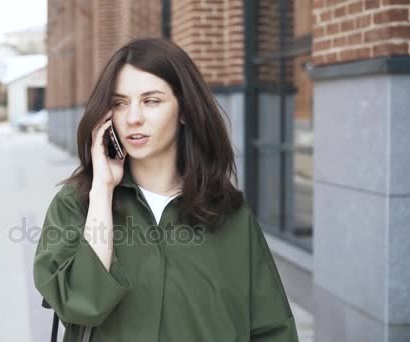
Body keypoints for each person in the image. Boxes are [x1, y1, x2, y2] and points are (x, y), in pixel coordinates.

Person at [33, 37, 299, 342]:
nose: (133, 118)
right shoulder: (77, 204)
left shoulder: (228, 213)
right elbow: (79, 303)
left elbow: (271, 328)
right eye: (120, 103)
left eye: (151, 101)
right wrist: (102, 191)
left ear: (184, 111)